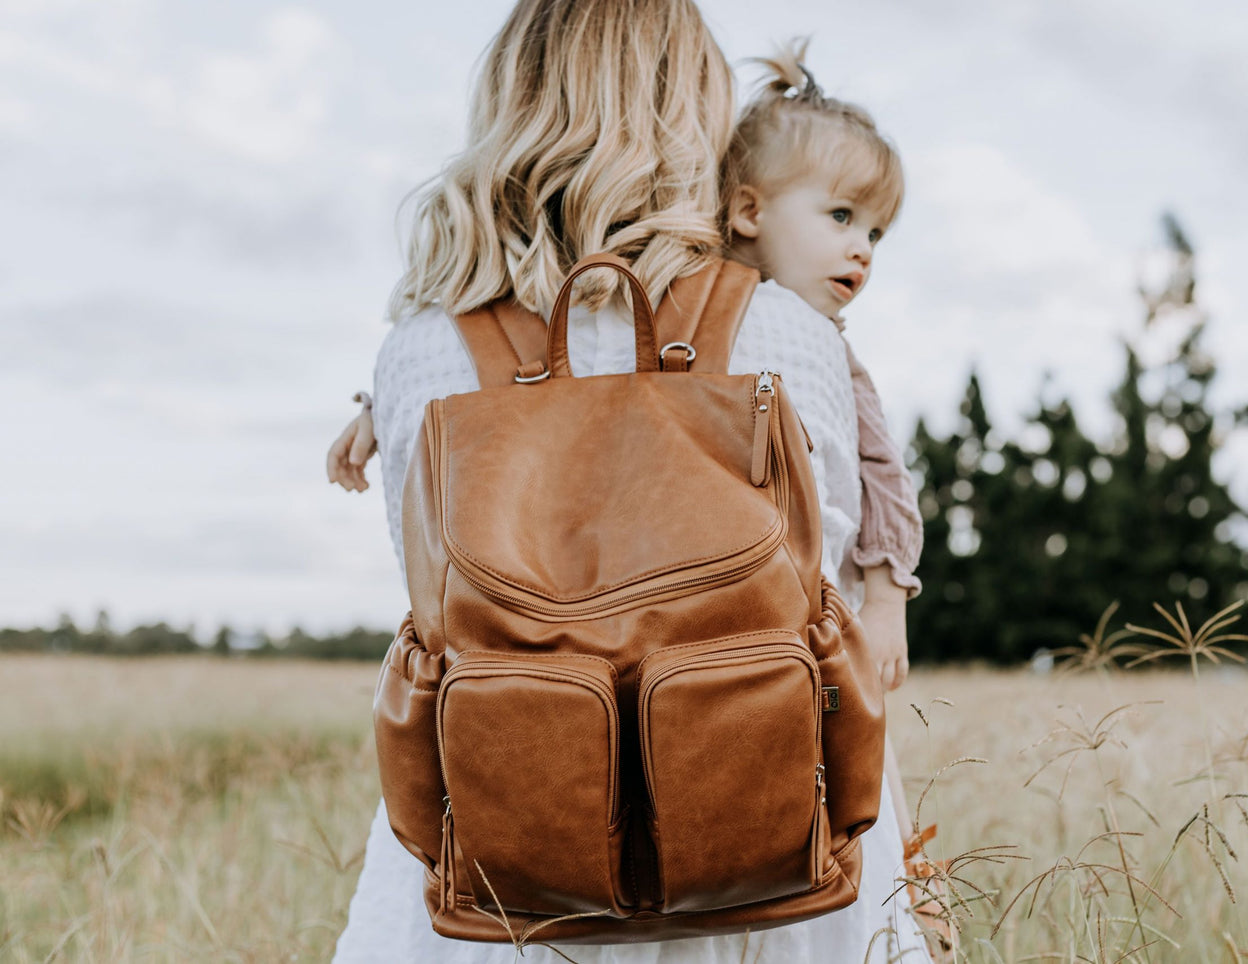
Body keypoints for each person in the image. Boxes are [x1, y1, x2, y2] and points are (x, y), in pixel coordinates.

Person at [327, 2, 930, 960]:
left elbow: (433, 597)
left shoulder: (418, 356)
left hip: (503, 865)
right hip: (772, 857)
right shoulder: (786, 333)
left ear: (512, 102)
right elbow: (836, 598)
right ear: (701, 119)